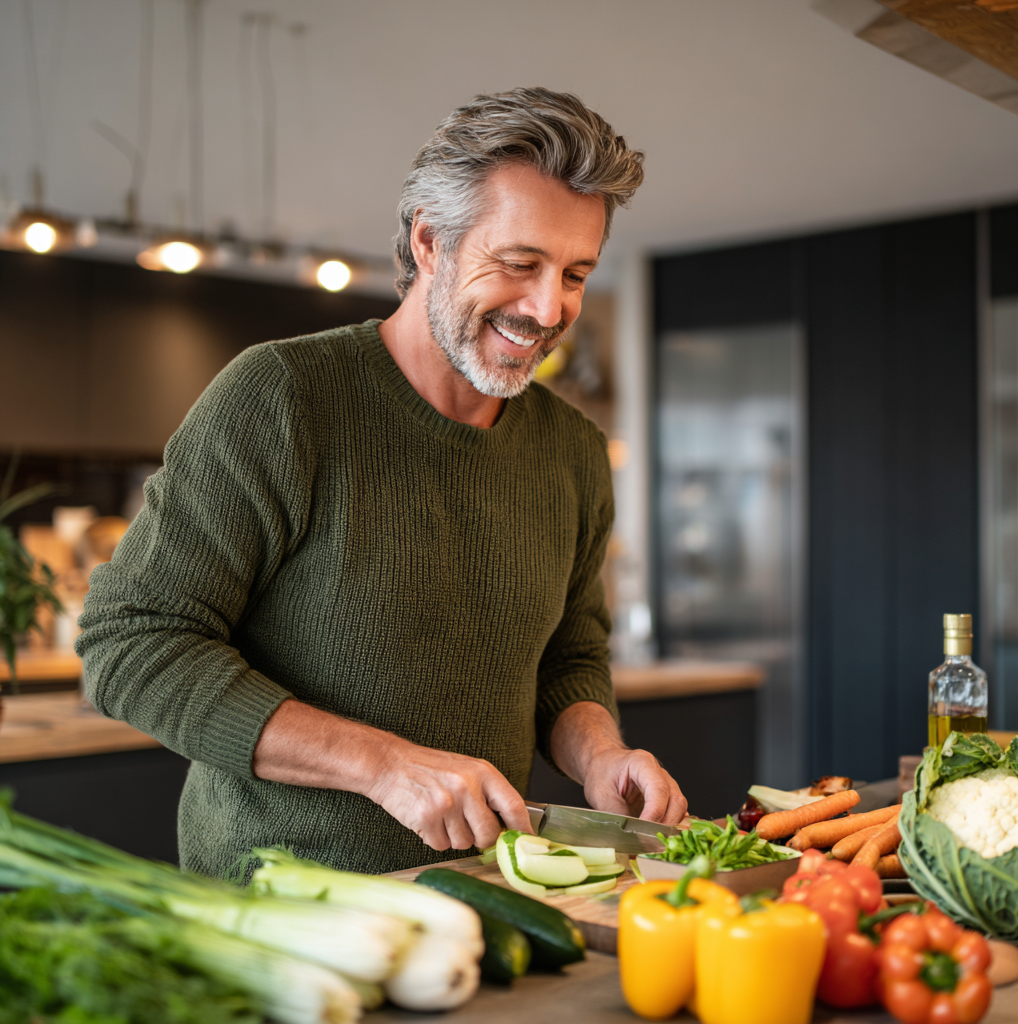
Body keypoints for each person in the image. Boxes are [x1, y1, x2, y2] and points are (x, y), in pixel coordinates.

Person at [77, 87, 687, 877]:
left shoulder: (571, 451)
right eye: (519, 264)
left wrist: (600, 752)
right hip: (283, 911)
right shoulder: (284, 399)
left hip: (486, 899)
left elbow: (569, 654)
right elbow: (130, 642)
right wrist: (382, 764)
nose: (548, 307)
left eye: (576, 273)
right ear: (430, 243)